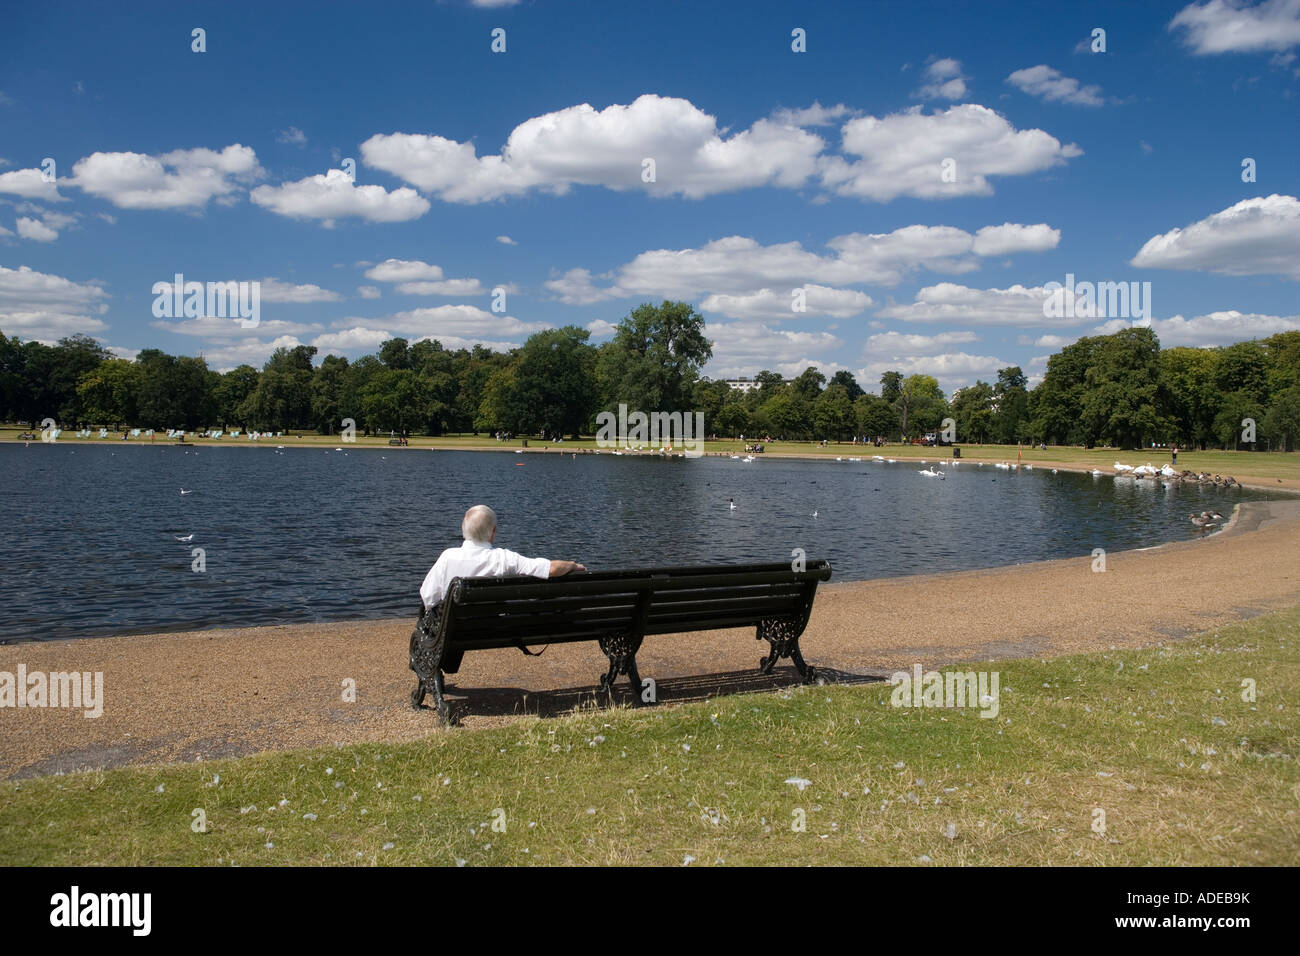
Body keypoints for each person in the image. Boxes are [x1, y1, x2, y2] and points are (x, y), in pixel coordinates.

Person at [419, 504, 585, 610]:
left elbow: (428, 597)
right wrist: (571, 565)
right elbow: (550, 569)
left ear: (463, 528)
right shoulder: (504, 558)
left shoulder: (448, 557)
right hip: (492, 626)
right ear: (493, 532)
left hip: (454, 628)